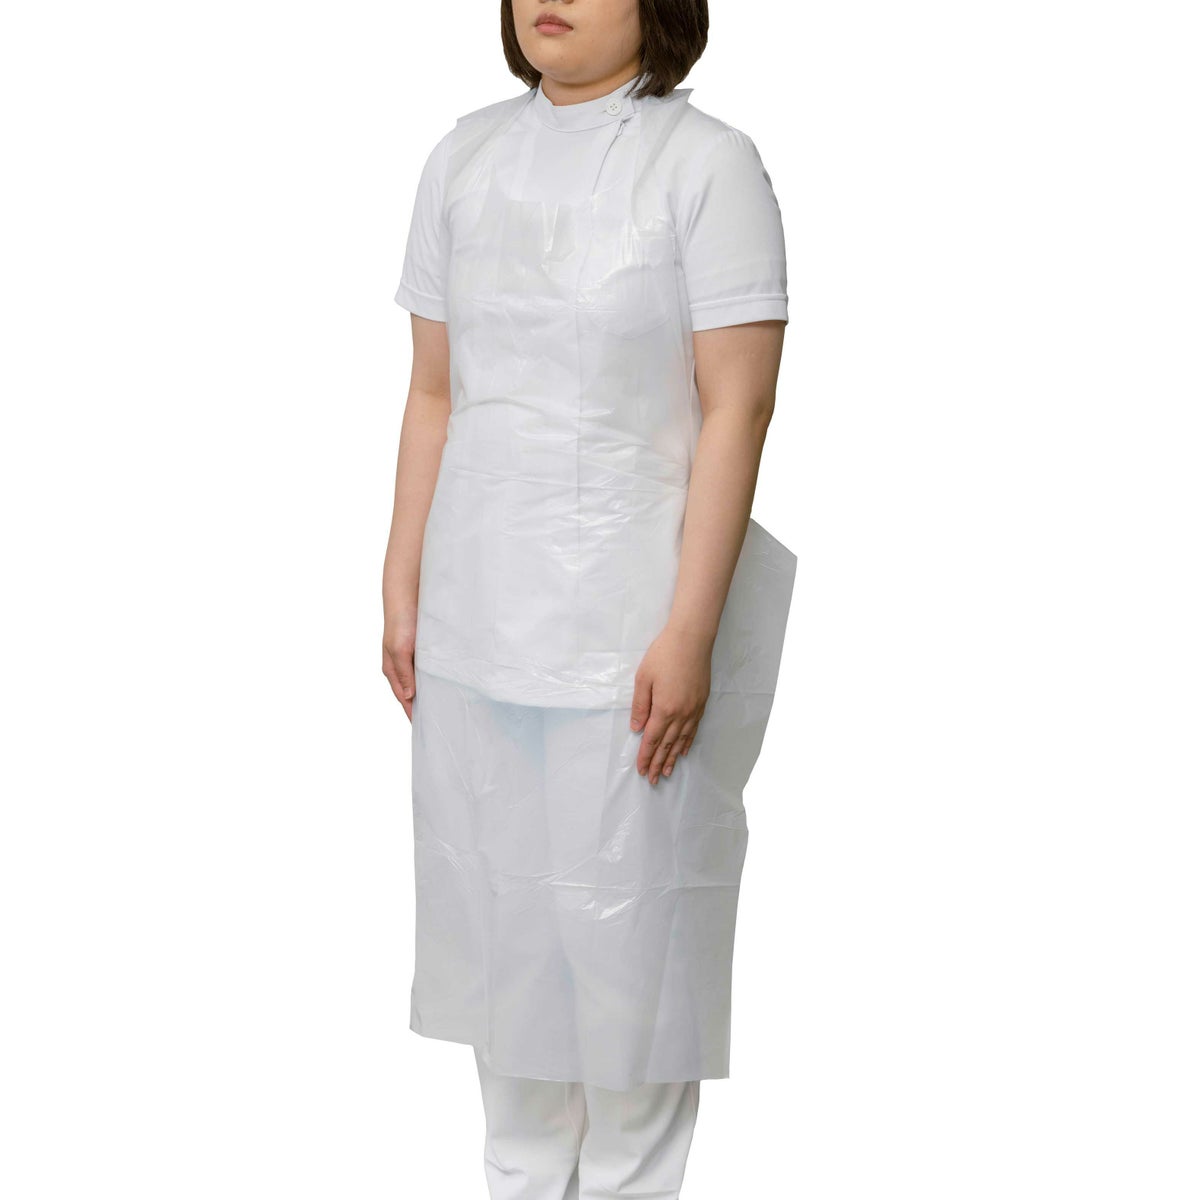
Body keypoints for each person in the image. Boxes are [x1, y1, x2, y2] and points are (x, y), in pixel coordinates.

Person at [382, 2, 796, 1195]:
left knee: (630, 979)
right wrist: (403, 580)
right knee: (504, 950)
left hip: (631, 631)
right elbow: (435, 392)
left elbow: (738, 406)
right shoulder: (463, 159)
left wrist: (690, 628)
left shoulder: (706, 169)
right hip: (475, 624)